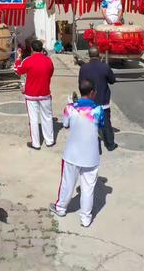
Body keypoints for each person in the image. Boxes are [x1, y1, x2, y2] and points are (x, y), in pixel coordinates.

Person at [49, 79, 104, 227]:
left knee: (67, 183)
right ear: (92, 93)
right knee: (88, 189)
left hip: (72, 154)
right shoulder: (98, 110)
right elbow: (101, 126)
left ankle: (61, 208)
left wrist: (70, 105)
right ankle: (85, 218)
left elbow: (65, 125)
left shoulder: (70, 108)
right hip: (91, 156)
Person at [14, 39, 55, 150]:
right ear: (41, 48)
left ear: (31, 49)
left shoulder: (28, 60)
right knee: (47, 117)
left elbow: (17, 70)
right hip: (45, 93)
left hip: (31, 95)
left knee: (33, 119)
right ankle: (49, 140)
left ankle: (36, 143)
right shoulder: (48, 61)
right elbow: (50, 74)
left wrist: (18, 57)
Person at [78, 47, 117, 151]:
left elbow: (80, 84)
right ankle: (110, 145)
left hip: (89, 101)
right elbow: (112, 80)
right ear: (99, 54)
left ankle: (88, 145)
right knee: (106, 124)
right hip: (103, 100)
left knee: (88, 124)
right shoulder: (105, 67)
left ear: (89, 55)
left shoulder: (83, 68)